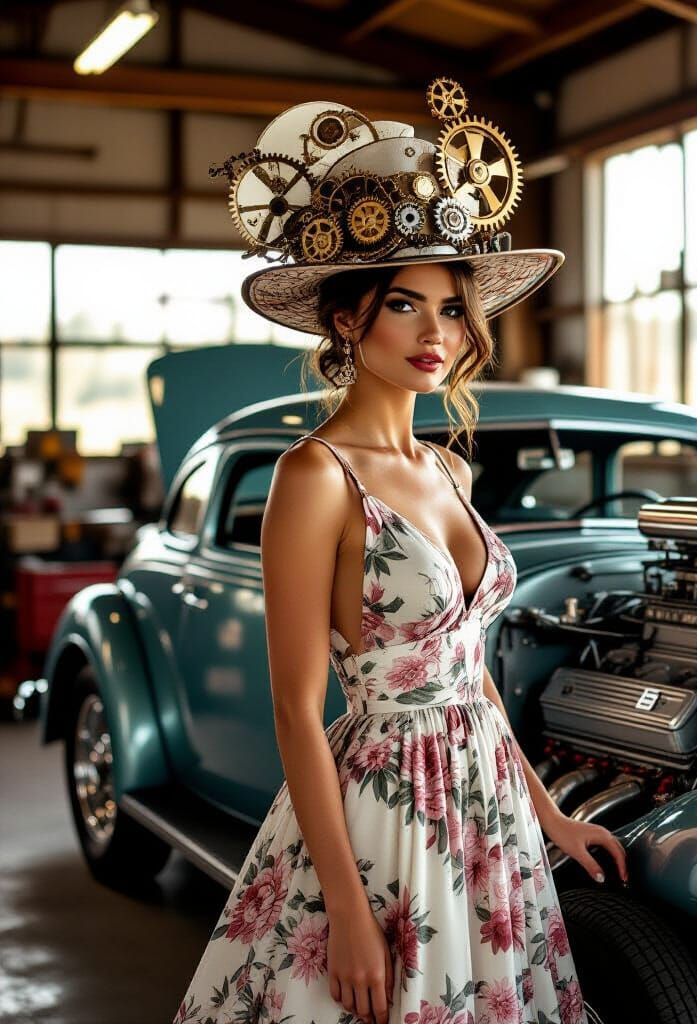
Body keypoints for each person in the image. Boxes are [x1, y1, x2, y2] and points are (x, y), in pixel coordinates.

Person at [174, 82, 626, 1024]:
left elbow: (470, 673)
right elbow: (296, 710)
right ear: (348, 319)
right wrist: (344, 908)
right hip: (384, 814)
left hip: (489, 811)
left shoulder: (451, 469)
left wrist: (549, 815)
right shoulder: (314, 475)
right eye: (405, 305)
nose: (436, 335)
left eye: (453, 310)